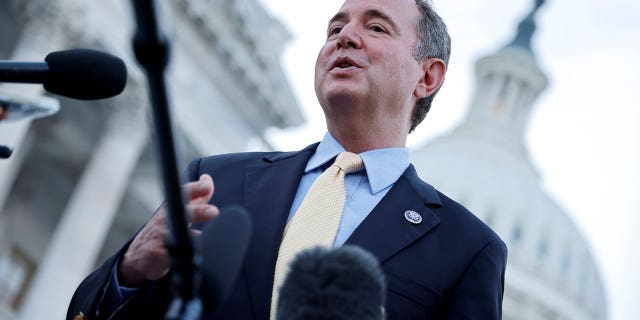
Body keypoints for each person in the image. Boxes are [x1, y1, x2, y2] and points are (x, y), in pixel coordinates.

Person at [67, 0, 507, 319]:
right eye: (335, 29)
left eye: (376, 28)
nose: (345, 37)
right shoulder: (215, 179)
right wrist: (129, 272)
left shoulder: (467, 249)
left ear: (427, 77)